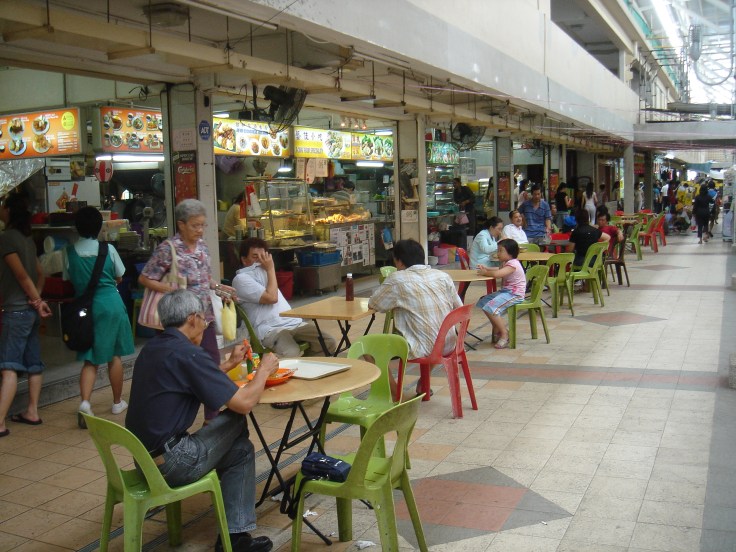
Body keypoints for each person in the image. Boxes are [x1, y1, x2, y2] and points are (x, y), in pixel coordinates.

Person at [126, 289, 277, 552]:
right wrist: (264, 370)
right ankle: (234, 538)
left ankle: (235, 538)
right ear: (193, 319)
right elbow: (243, 403)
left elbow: (187, 378)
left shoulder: (154, 348)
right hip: (174, 463)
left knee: (241, 450)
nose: (206, 327)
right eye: (206, 322)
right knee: (237, 419)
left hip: (144, 461)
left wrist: (228, 365)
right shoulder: (188, 353)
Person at [139, 198, 237, 422]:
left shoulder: (202, 247)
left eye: (203, 225)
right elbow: (145, 278)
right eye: (195, 225)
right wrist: (173, 288)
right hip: (178, 321)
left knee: (211, 361)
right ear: (181, 224)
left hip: (204, 316)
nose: (200, 230)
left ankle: (212, 417)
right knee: (174, 365)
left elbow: (205, 279)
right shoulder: (168, 249)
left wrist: (220, 287)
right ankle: (171, 411)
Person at [65, 207, 134, 429]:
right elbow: (119, 275)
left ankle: (85, 403)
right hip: (110, 306)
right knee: (113, 356)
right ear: (99, 227)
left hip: (85, 309)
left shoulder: (68, 252)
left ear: (77, 227)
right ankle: (116, 402)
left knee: (90, 358)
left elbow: (68, 280)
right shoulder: (108, 249)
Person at [368, 239, 461, 394]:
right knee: (433, 333)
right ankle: (423, 382)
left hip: (425, 348)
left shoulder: (397, 279)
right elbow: (459, 307)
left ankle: (398, 397)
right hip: (449, 343)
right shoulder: (442, 276)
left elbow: (375, 304)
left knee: (369, 349)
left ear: (398, 261)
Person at [0, 194, 52, 437]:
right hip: (30, 312)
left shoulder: (7, 238)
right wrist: (37, 300)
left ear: (9, 211)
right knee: (33, 363)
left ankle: (0, 422)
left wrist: (36, 300)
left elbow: (22, 276)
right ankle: (32, 411)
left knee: (9, 366)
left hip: (17, 311)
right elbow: (40, 274)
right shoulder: (27, 240)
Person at [233, 237, 336, 357]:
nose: (261, 261)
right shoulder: (241, 279)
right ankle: (289, 369)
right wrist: (271, 268)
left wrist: (268, 270)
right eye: (255, 257)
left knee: (328, 342)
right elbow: (272, 298)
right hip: (269, 329)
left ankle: (307, 368)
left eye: (264, 257)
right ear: (244, 260)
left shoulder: (265, 272)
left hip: (292, 322)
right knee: (291, 352)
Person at [475, 239, 526, 350]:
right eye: (498, 250)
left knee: (491, 306)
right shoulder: (506, 263)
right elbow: (498, 269)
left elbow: (498, 274)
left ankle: (504, 334)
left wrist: (485, 273)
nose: (498, 254)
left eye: (500, 251)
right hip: (506, 292)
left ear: (510, 252)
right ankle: (498, 328)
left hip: (514, 294)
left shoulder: (513, 264)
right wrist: (486, 268)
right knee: (483, 301)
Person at [469, 216, 504, 293]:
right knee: (504, 268)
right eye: (499, 229)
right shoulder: (482, 235)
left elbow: (493, 250)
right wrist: (499, 242)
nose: (500, 232)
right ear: (491, 227)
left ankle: (504, 289)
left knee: (505, 265)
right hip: (479, 265)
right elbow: (486, 249)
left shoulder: (492, 236)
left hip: (486, 261)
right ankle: (505, 290)